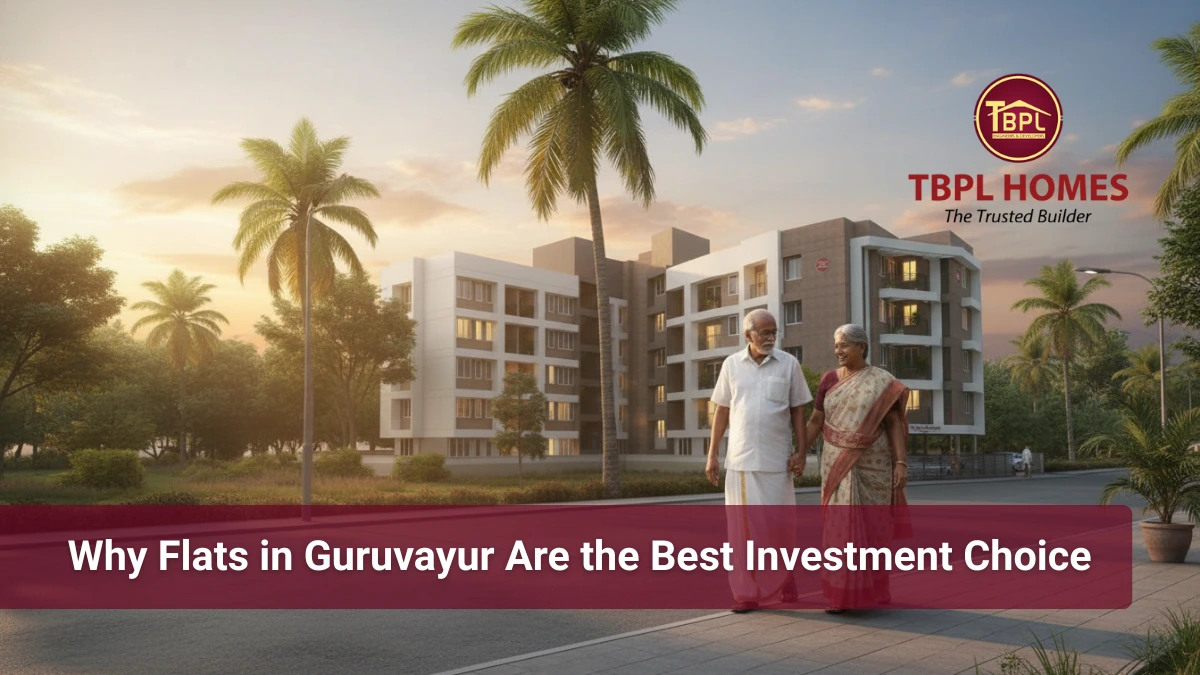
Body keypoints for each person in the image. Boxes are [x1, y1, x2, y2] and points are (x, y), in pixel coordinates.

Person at [706, 308, 812, 613]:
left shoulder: (789, 364)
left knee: (781, 526)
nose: (769, 338)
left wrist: (801, 452)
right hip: (741, 461)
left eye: (773, 332)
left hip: (778, 461)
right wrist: (713, 454)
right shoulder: (731, 365)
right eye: (763, 332)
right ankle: (746, 592)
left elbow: (798, 411)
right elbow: (721, 411)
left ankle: (786, 577)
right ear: (747, 335)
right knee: (742, 533)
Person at [805, 324, 912, 614]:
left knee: (875, 529)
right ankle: (840, 596)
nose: (838, 350)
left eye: (844, 345)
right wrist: (799, 451)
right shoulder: (828, 380)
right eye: (836, 345)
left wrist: (901, 463)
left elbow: (892, 424)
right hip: (836, 465)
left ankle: (878, 587)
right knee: (840, 529)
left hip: (874, 465)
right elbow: (816, 420)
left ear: (862, 346)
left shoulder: (882, 381)